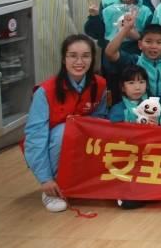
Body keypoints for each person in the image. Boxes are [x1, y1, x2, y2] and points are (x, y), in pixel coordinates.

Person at [24, 35, 108, 212]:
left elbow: (99, 122)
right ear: (64, 59)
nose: (79, 62)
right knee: (64, 131)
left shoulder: (99, 85)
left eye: (85, 56)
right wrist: (45, 179)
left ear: (92, 59)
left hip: (81, 145)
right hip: (52, 145)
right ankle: (53, 189)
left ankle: (84, 180)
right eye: (73, 56)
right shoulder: (45, 92)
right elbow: (35, 139)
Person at [105, 23, 161, 98]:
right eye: (148, 41)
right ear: (140, 45)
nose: (153, 46)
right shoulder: (133, 61)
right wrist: (126, 29)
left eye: (159, 42)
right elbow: (110, 53)